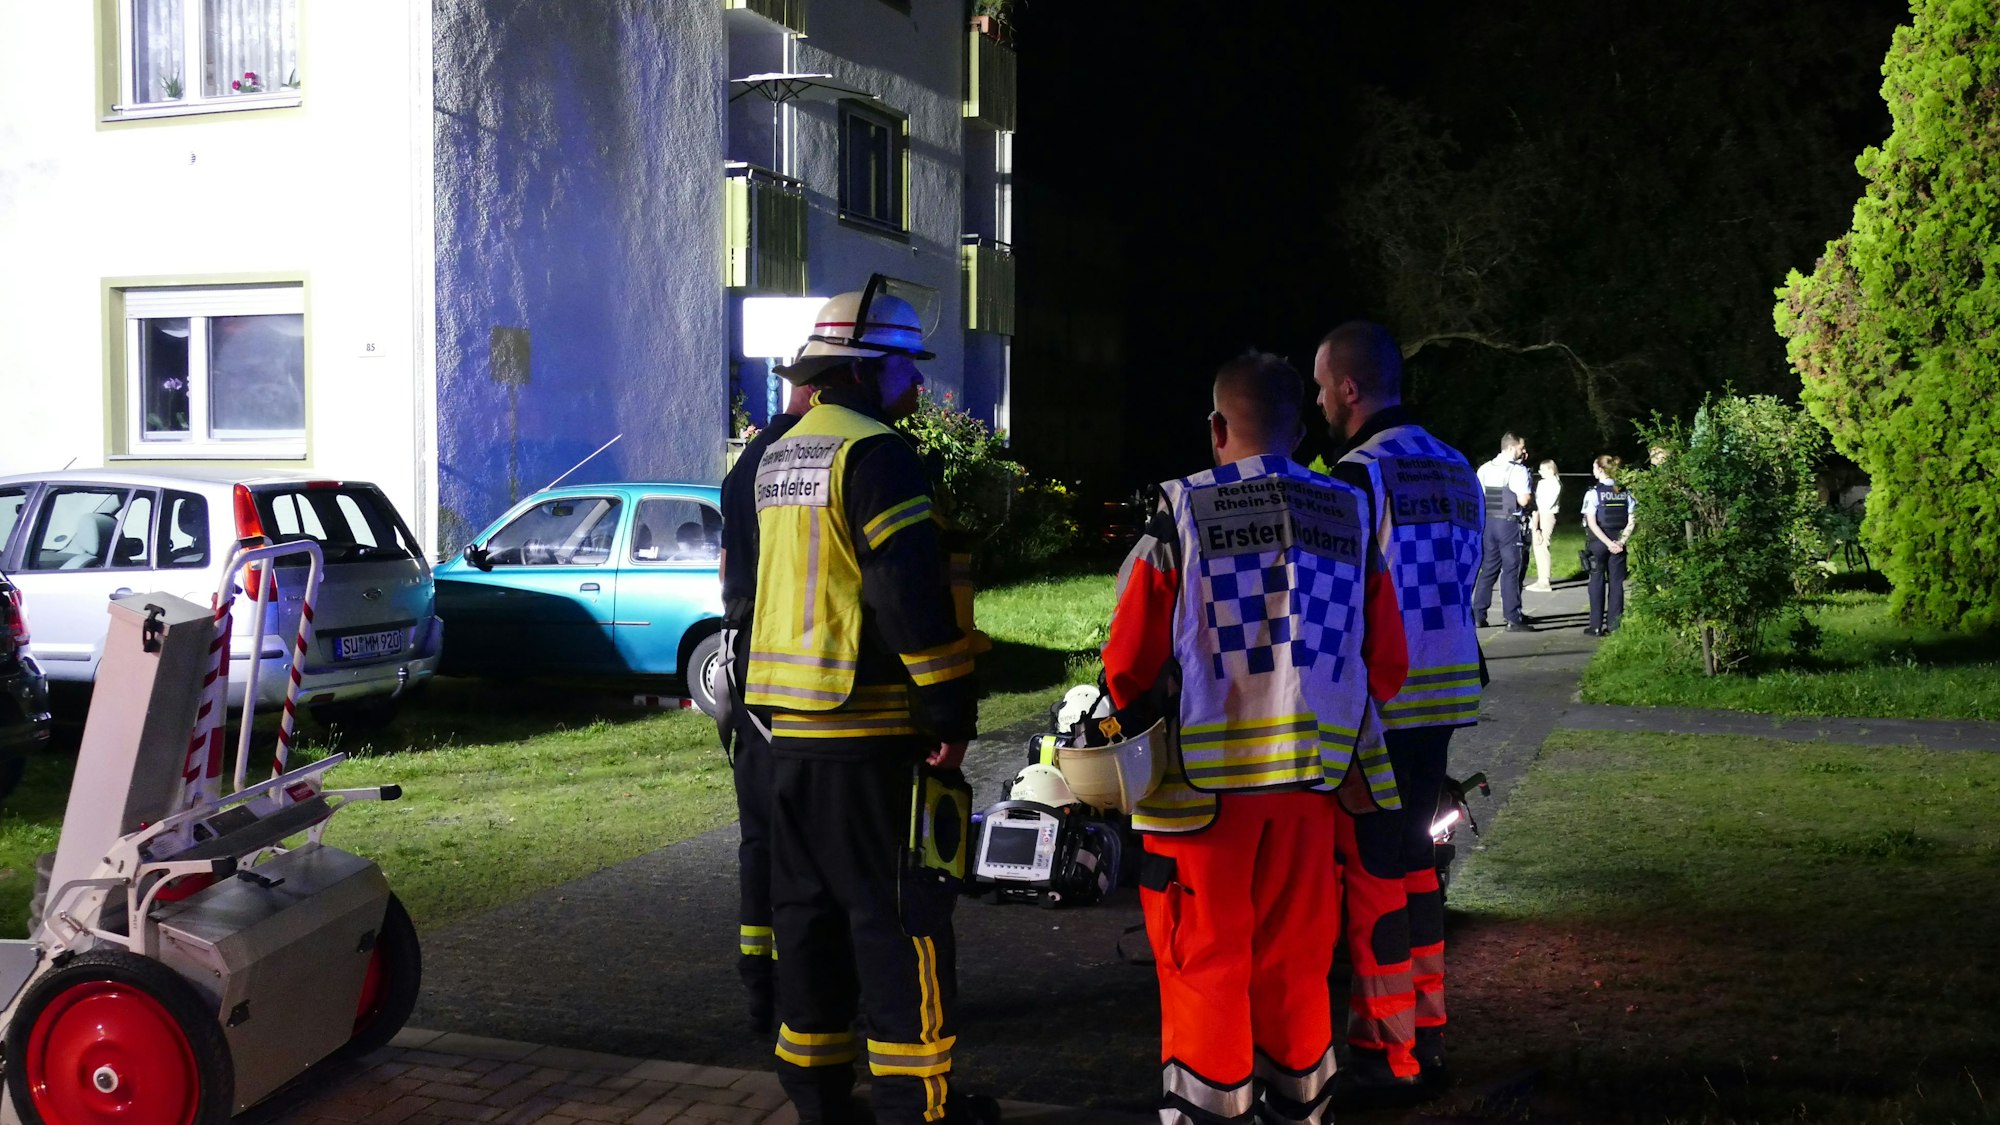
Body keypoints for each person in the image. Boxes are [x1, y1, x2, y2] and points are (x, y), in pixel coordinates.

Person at [1100, 351, 1408, 1124]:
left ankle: (1208, 1112)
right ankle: (1302, 1106)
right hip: (1313, 789)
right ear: (1301, 430)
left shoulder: (1180, 510)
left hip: (1201, 798)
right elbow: (1390, 663)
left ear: (1215, 427)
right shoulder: (1349, 509)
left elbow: (1127, 665)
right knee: (1298, 962)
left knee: (1205, 959)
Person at [743, 279, 994, 1125]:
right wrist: (951, 714)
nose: (917, 387)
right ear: (870, 368)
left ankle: (817, 1101)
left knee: (807, 921)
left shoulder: (780, 454)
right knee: (900, 922)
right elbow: (906, 597)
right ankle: (914, 1107)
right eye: (906, 369)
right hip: (872, 736)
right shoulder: (877, 456)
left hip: (789, 740)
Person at [1315, 321, 1485, 1102]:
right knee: (1418, 871)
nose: (1318, 400)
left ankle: (1387, 1055)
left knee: (1377, 877)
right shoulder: (1457, 467)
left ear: (1350, 389)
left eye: (1322, 386)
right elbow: (1472, 571)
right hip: (1448, 692)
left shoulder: (1357, 476)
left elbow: (1346, 600)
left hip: (1384, 704)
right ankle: (1429, 1034)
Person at [717, 377, 816, 1038]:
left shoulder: (746, 466)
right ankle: (814, 989)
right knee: (815, 840)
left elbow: (727, 570)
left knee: (760, 836)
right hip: (813, 683)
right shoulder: (816, 460)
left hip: (748, 668)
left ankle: (759, 985)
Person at [1470, 433, 1533, 632]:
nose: (1524, 451)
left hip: (1488, 523)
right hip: (1508, 524)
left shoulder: (1485, 468)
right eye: (1522, 447)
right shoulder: (1518, 470)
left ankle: (1478, 615)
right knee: (1511, 570)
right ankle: (1513, 618)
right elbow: (1523, 500)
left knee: (1488, 569)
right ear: (1512, 447)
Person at [1581, 454, 1636, 637]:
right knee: (1616, 584)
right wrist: (1621, 542)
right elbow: (1632, 520)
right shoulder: (1625, 492)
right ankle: (1614, 626)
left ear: (1601, 469)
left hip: (1599, 543)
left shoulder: (1593, 493)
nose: (1593, 471)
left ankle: (1595, 626)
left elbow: (1591, 522)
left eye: (1595, 467)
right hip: (1618, 543)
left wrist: (1606, 542)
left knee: (1596, 582)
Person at [1526, 460, 1561, 592]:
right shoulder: (1544, 483)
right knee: (1538, 546)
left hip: (1546, 515)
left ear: (1551, 470)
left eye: (1543, 470)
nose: (1540, 472)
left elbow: (1546, 503)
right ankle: (1541, 579)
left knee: (1542, 545)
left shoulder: (1554, 484)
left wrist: (1537, 525)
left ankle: (1544, 581)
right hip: (1540, 514)